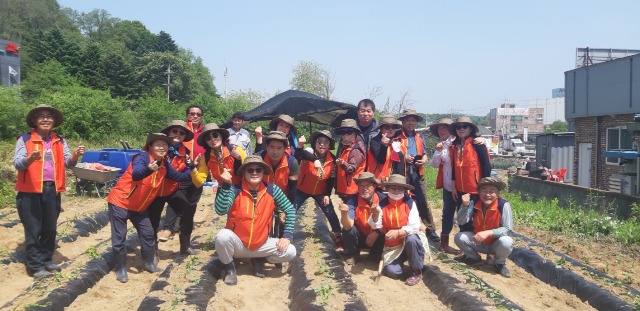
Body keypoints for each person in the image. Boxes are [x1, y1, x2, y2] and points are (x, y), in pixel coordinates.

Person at [107, 133, 192, 283]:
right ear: (151, 147)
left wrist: (192, 168)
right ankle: (121, 268)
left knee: (147, 233)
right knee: (120, 237)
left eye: (165, 145)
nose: (162, 147)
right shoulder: (142, 158)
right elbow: (136, 174)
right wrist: (149, 169)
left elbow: (179, 177)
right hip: (121, 202)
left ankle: (149, 263)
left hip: (140, 207)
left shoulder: (164, 163)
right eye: (158, 144)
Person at [13, 104, 85, 279]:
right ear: (34, 121)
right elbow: (17, 163)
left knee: (50, 228)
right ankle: (35, 266)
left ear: (54, 121)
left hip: (52, 190)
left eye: (49, 116)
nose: (45, 119)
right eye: (41, 116)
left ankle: (46, 260)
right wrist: (30, 159)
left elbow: (69, 163)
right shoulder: (25, 139)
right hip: (30, 191)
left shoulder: (59, 141)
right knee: (33, 229)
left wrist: (75, 155)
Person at [213, 155, 297, 285]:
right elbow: (221, 210)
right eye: (250, 170)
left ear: (263, 172)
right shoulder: (235, 189)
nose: (254, 173)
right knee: (222, 237)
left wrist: (286, 236)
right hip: (238, 244)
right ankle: (230, 269)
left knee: (290, 251)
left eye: (258, 169)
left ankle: (259, 258)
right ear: (244, 173)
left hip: (262, 243)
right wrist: (225, 185)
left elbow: (290, 210)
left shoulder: (272, 190)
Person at [430, 117, 486, 253]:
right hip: (451, 186)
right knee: (447, 213)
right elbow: (436, 164)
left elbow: (484, 164)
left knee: (466, 216)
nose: (441, 130)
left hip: (468, 187)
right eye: (439, 128)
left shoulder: (466, 144)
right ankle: (444, 244)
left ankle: (465, 247)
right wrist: (438, 151)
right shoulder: (447, 145)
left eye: (444, 127)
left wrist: (484, 140)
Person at [147, 121, 197, 259]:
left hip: (172, 188)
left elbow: (185, 171)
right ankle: (153, 251)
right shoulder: (158, 147)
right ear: (168, 133)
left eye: (182, 133)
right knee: (153, 219)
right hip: (155, 189)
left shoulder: (185, 152)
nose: (178, 135)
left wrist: (191, 167)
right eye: (175, 131)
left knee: (188, 209)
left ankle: (185, 246)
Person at [158, 105, 206, 242]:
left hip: (195, 171)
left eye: (198, 114)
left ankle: (183, 235)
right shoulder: (181, 130)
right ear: (187, 115)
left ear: (201, 117)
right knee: (175, 200)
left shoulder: (206, 132)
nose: (195, 116)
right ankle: (169, 228)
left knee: (191, 203)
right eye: (192, 113)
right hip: (179, 173)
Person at [369, 174, 425, 286]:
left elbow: (414, 226)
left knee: (412, 239)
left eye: (400, 188)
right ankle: (398, 263)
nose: (396, 190)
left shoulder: (410, 203)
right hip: (392, 246)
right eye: (393, 187)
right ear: (387, 188)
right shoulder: (381, 204)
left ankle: (416, 271)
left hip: (407, 240)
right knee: (394, 272)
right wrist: (375, 214)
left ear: (405, 190)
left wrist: (398, 232)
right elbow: (375, 225)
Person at [454, 177, 514, 278]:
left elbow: (508, 229)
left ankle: (499, 264)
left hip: (496, 243)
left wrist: (489, 232)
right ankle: (474, 258)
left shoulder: (503, 205)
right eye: (484, 190)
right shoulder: (474, 203)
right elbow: (461, 221)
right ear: (478, 192)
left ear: (498, 193)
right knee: (459, 237)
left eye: (492, 191)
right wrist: (464, 205)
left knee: (507, 241)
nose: (487, 195)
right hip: (479, 242)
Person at [397, 109, 439, 242]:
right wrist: (404, 157)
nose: (410, 123)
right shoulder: (397, 136)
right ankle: (403, 226)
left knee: (422, 199)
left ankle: (430, 229)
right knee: (401, 199)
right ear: (403, 121)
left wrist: (425, 159)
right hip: (401, 171)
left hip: (417, 170)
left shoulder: (420, 137)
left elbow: (425, 153)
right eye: (408, 120)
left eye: (413, 120)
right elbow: (392, 153)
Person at [449, 116, 491, 234]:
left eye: (464, 126)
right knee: (462, 219)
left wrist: (485, 188)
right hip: (460, 189)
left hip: (475, 189)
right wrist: (453, 186)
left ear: (470, 129)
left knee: (476, 220)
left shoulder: (477, 144)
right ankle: (464, 249)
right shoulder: (455, 146)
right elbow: (454, 168)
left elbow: (486, 166)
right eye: (458, 127)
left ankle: (477, 247)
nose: (461, 129)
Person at [295, 130, 340, 238]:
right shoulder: (309, 152)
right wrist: (315, 159)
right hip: (301, 190)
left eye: (326, 142)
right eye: (319, 141)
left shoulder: (332, 160)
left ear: (329, 146)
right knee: (291, 210)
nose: (322, 145)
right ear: (315, 143)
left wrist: (327, 195)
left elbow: (331, 178)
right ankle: (283, 234)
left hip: (320, 191)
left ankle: (338, 234)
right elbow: (299, 155)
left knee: (330, 211)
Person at [337, 172, 386, 265]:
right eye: (361, 185)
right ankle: (353, 254)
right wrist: (344, 213)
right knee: (348, 230)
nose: (364, 189)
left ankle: (375, 255)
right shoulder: (353, 200)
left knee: (374, 260)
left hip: (377, 237)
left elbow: (389, 224)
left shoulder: (383, 200)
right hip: (359, 236)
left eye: (368, 185)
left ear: (374, 186)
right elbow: (348, 226)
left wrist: (377, 232)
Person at [334, 119, 366, 202]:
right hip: (345, 190)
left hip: (352, 191)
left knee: (349, 213)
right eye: (343, 132)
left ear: (355, 133)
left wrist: (342, 163)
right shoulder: (344, 147)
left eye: (349, 132)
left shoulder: (356, 150)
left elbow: (351, 168)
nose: (345, 136)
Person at [367, 114, 405, 181]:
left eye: (393, 127)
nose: (390, 129)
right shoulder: (375, 141)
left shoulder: (397, 140)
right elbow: (381, 160)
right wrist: (384, 146)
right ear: (381, 129)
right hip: (380, 182)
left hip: (396, 182)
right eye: (387, 127)